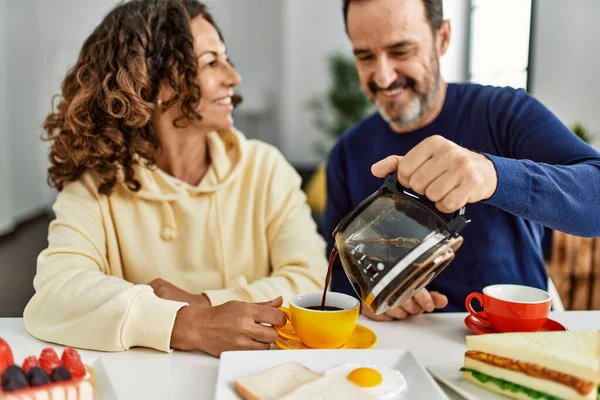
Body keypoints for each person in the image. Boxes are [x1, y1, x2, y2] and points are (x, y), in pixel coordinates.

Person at [23, 0, 328, 357]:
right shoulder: (97, 186)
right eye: (212, 62)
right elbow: (56, 292)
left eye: (226, 59)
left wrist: (202, 303)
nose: (233, 77)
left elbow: (311, 282)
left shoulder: (265, 169)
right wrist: (187, 324)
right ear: (151, 82)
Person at [324, 0, 600, 321]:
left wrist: (493, 176)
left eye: (401, 51)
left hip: (510, 337)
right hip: (393, 348)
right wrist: (370, 299)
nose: (383, 77)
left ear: (442, 38)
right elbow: (338, 272)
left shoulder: (504, 113)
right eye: (365, 56)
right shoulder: (347, 151)